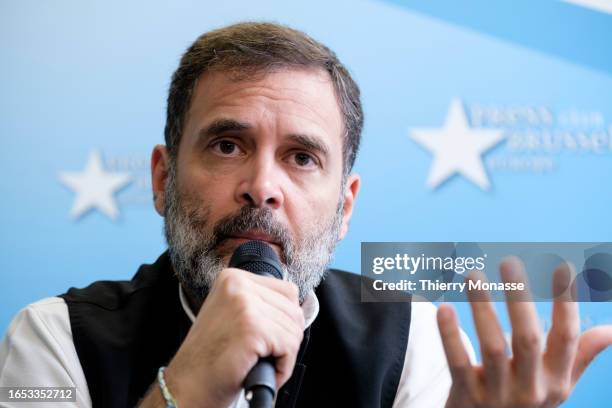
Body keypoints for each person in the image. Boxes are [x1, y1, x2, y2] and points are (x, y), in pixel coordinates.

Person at [1, 22, 611, 408]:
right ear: (162, 179)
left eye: (301, 157)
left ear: (344, 208)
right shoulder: (54, 340)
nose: (261, 187)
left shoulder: (408, 339)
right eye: (227, 145)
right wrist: (185, 390)